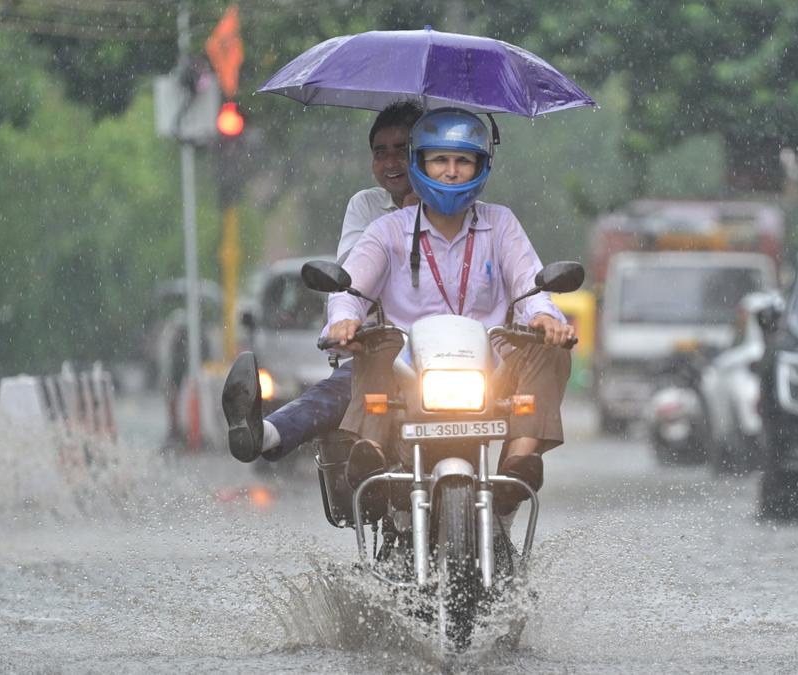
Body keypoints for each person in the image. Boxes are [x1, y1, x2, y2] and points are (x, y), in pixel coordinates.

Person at [325, 108, 575, 541]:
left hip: (489, 370)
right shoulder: (387, 230)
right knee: (373, 341)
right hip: (408, 371)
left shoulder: (501, 223)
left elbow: (531, 287)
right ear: (420, 164)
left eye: (464, 161)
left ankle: (517, 466)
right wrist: (344, 322)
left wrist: (546, 319)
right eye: (440, 160)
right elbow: (350, 289)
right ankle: (372, 455)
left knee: (547, 347)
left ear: (481, 167)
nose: (452, 172)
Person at [222, 101, 422, 462]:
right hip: (382, 350)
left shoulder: (469, 213)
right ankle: (266, 433)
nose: (392, 162)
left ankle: (506, 490)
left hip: (452, 359)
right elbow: (353, 277)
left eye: (403, 151)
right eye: (381, 153)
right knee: (342, 387)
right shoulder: (366, 206)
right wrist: (406, 218)